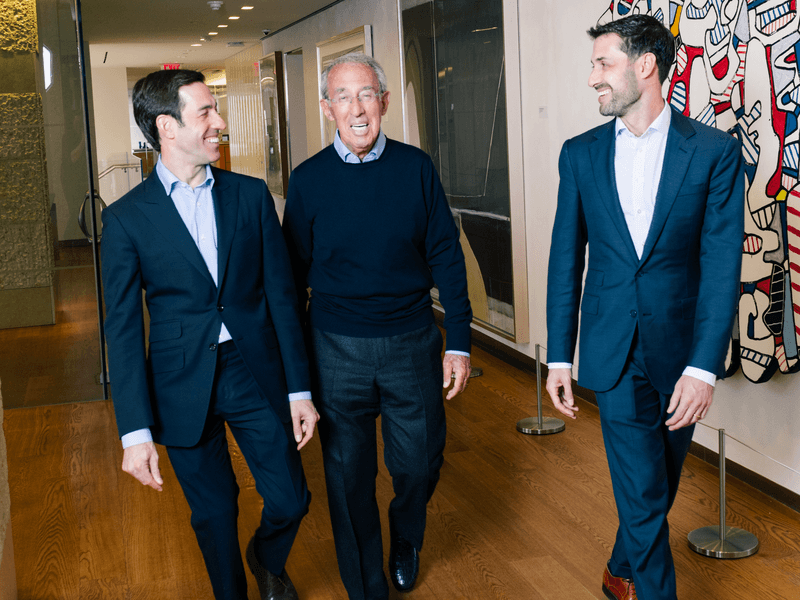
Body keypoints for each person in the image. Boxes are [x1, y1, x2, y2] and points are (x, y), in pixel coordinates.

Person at [545, 15, 744, 600]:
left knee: (654, 488)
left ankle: (617, 569)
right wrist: (559, 355)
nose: (593, 79)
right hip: (612, 351)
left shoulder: (712, 153)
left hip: (681, 355)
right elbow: (565, 261)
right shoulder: (578, 156)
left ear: (646, 65)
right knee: (643, 491)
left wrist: (703, 368)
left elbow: (720, 266)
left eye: (603, 64)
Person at [101, 69, 319, 600]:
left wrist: (299, 389)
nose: (220, 123)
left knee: (292, 498)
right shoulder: (127, 219)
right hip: (180, 383)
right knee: (215, 514)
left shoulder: (250, 197)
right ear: (166, 128)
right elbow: (124, 330)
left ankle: (266, 557)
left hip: (253, 371)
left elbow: (283, 299)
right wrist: (134, 432)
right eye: (205, 112)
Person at [282, 53, 472, 600]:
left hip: (412, 341)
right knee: (347, 479)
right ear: (327, 109)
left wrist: (457, 343)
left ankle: (406, 537)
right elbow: (291, 281)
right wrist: (296, 375)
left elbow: (446, 257)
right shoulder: (309, 180)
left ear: (384, 102)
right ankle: (367, 588)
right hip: (334, 347)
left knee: (418, 465)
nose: (357, 108)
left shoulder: (416, 168)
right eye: (343, 97)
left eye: (367, 94)